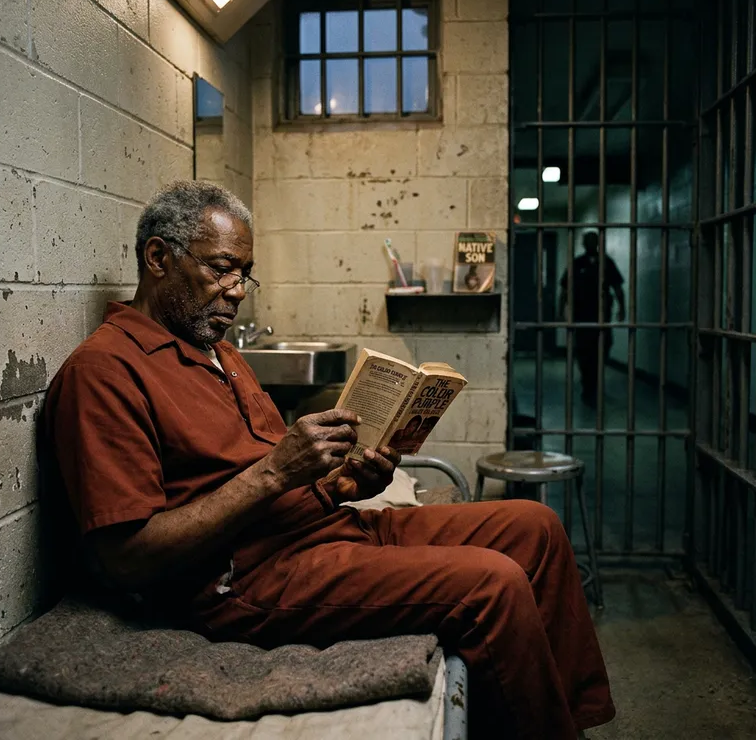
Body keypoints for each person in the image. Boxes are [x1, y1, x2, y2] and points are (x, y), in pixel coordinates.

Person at [41, 181, 615, 739]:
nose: (237, 291)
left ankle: (570, 718)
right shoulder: (105, 373)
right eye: (221, 269)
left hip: (326, 530)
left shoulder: (218, 353)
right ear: (158, 257)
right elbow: (126, 560)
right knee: (491, 583)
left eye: (245, 274)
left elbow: (279, 483)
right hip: (249, 577)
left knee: (534, 526)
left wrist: (345, 484)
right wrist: (274, 472)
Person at [558, 232, 626, 406]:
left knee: (601, 351)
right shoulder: (577, 263)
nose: (591, 244)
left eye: (593, 241)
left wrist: (622, 309)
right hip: (581, 317)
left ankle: (593, 385)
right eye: (588, 241)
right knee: (584, 353)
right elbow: (565, 290)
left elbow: (617, 287)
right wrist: (561, 311)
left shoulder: (606, 262)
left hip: (602, 316)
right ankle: (589, 385)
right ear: (583, 243)